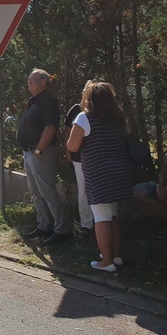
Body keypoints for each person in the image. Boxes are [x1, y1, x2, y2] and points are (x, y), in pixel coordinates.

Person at [65, 82, 130, 272]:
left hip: (98, 172)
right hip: (119, 170)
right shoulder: (118, 118)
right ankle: (115, 255)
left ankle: (106, 262)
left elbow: (72, 146)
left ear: (89, 98)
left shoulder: (84, 117)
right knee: (113, 215)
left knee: (101, 218)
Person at [17, 69, 71, 245]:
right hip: (29, 152)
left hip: (41, 152)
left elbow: (50, 128)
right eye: (28, 80)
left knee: (47, 190)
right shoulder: (34, 101)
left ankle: (62, 229)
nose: (29, 83)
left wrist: (39, 150)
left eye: (32, 80)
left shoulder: (48, 102)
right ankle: (44, 224)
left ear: (43, 81)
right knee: (36, 191)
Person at [64, 94, 93, 238]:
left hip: (99, 159)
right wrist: (68, 152)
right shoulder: (76, 110)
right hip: (79, 158)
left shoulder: (106, 110)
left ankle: (104, 223)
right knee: (83, 192)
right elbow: (67, 132)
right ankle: (87, 224)